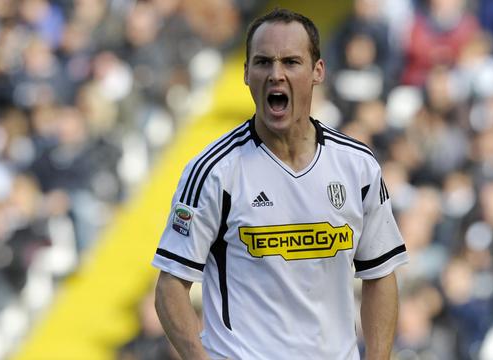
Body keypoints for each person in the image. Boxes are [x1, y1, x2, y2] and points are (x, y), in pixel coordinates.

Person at [152, 8, 408, 359]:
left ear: (318, 71)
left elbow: (380, 274)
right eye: (262, 62)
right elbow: (170, 286)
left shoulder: (357, 166)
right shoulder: (213, 171)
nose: (276, 75)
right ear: (245, 73)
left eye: (291, 62)